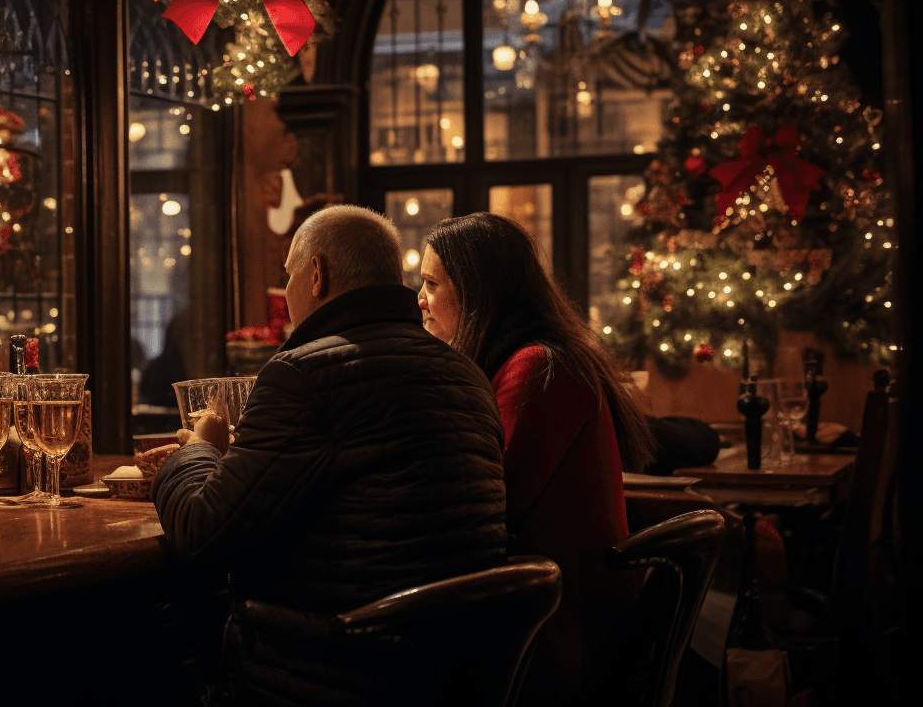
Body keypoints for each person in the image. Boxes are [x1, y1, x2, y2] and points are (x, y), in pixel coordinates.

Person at [153, 205, 508, 705]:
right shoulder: (467, 375)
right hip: (451, 676)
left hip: (328, 672)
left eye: (289, 277)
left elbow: (202, 531)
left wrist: (197, 451)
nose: (286, 294)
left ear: (316, 275)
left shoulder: (304, 375)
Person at [418, 212, 657, 705]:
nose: (418, 299)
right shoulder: (530, 361)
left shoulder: (539, 366)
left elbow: (491, 503)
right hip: (544, 615)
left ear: (476, 292)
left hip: (554, 635)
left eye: (429, 283)